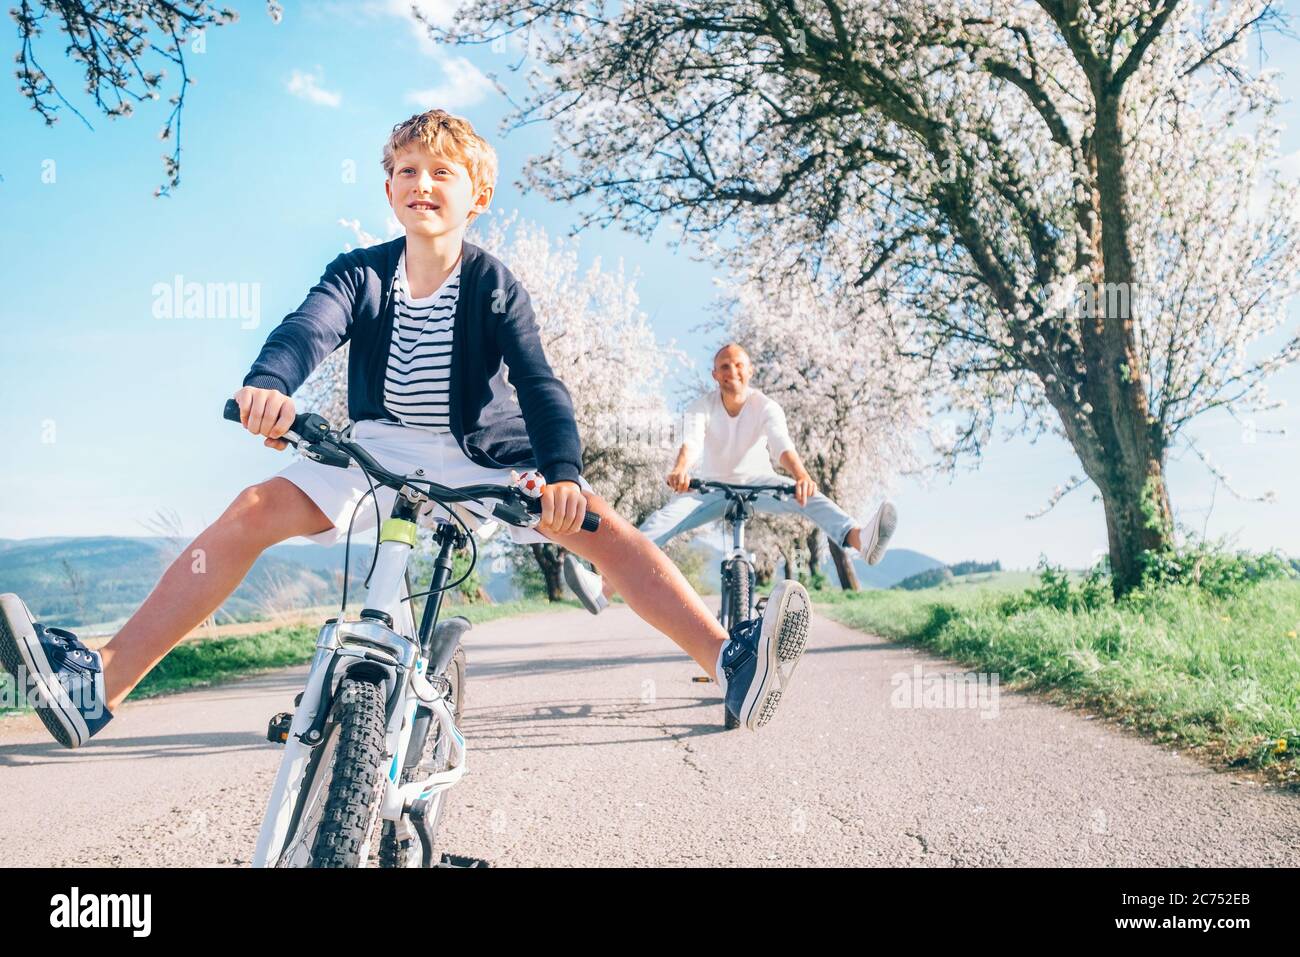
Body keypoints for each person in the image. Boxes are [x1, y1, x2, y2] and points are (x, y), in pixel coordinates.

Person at [0, 110, 811, 745]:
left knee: (605, 531)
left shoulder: (494, 285)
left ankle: (728, 662)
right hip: (377, 447)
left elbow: (538, 380)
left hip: (486, 455)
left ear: (476, 195)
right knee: (250, 511)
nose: (422, 183)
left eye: (442, 173)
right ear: (387, 188)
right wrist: (269, 384)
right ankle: (97, 684)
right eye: (406, 171)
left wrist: (562, 470)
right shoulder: (361, 273)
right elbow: (306, 329)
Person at [563, 343, 897, 614]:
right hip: (710, 488)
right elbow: (691, 442)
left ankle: (857, 539)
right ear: (714, 374)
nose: (732, 371)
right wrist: (681, 470)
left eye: (738, 365)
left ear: (750, 370)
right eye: (724, 366)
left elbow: (782, 445)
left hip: (760, 484)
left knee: (808, 494)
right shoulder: (702, 406)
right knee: (660, 523)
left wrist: (801, 476)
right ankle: (603, 587)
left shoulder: (767, 406)